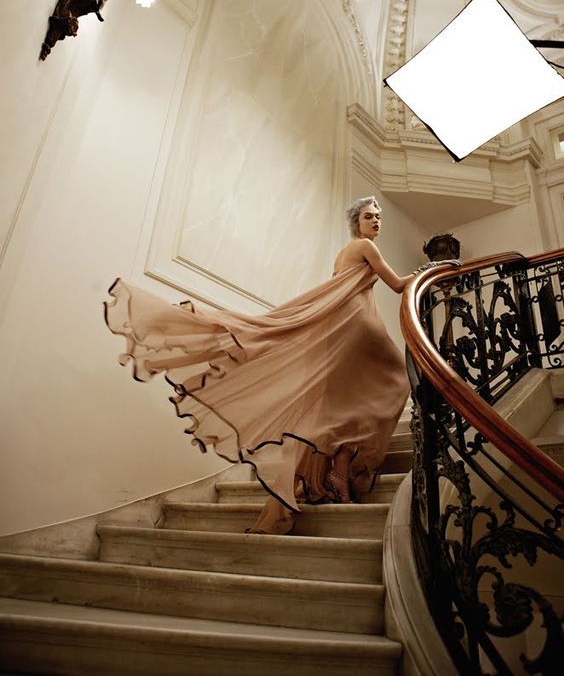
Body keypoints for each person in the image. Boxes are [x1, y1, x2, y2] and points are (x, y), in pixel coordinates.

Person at [104, 196, 453, 535]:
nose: (376, 221)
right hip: (358, 324)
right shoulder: (365, 247)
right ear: (355, 223)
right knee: (394, 379)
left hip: (343, 328)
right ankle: (341, 469)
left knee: (347, 401)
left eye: (378, 217)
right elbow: (396, 285)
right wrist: (434, 269)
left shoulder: (342, 255)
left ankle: (340, 470)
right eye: (368, 216)